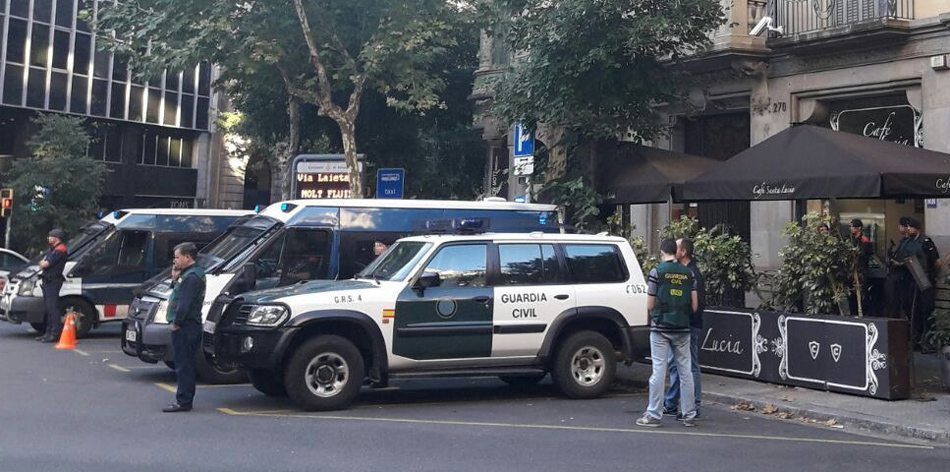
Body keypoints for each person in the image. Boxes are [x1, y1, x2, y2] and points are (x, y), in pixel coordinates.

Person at [637, 239, 699, 428]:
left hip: (660, 328)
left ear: (662, 251)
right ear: (676, 251)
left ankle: (654, 414)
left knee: (658, 370)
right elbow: (694, 306)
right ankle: (689, 414)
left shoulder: (657, 272)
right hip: (682, 328)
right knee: (685, 372)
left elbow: (649, 304)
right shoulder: (689, 274)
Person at [663, 238, 704, 419]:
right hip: (683, 325)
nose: (673, 251)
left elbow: (696, 304)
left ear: (683, 252)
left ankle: (693, 406)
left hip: (689, 326)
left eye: (677, 248)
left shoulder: (691, 273)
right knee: (676, 365)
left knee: (689, 366)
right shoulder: (686, 272)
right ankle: (672, 403)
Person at [163, 242, 206, 413]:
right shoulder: (188, 274)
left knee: (184, 364)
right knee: (183, 363)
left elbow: (184, 304)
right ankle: (184, 398)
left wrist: (176, 323)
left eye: (177, 257)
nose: (175, 261)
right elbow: (177, 293)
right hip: (187, 325)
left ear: (188, 257)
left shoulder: (192, 277)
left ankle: (184, 401)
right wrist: (174, 280)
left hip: (186, 326)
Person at [895, 218, 940, 347]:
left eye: (910, 227)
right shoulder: (907, 242)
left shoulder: (926, 242)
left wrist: (931, 276)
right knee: (912, 309)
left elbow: (937, 263)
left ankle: (928, 340)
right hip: (911, 282)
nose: (908, 229)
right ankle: (917, 337)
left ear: (916, 228)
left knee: (926, 310)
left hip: (925, 283)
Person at [37, 229, 68, 343]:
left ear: (56, 238)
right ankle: (48, 333)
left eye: (51, 236)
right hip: (48, 281)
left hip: (53, 281)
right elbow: (43, 262)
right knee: (49, 309)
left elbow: (45, 264)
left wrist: (42, 264)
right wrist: (42, 263)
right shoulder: (54, 250)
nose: (49, 238)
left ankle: (54, 334)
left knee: (53, 309)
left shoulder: (59, 250)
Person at [848, 219, 873, 316]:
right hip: (852, 271)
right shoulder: (850, 239)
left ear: (859, 228)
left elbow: (865, 253)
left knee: (862, 295)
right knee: (852, 295)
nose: (851, 229)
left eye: (853, 227)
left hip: (861, 271)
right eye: (850, 227)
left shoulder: (864, 240)